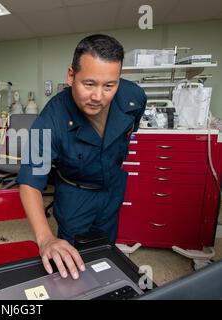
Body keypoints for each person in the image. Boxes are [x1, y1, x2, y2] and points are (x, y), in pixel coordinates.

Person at [17, 34, 146, 280]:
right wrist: (45, 239)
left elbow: (129, 129)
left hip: (112, 188)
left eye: (109, 85)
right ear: (71, 76)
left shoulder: (134, 97)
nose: (99, 96)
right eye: (89, 84)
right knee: (72, 263)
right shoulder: (49, 118)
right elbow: (30, 181)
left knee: (106, 255)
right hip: (75, 195)